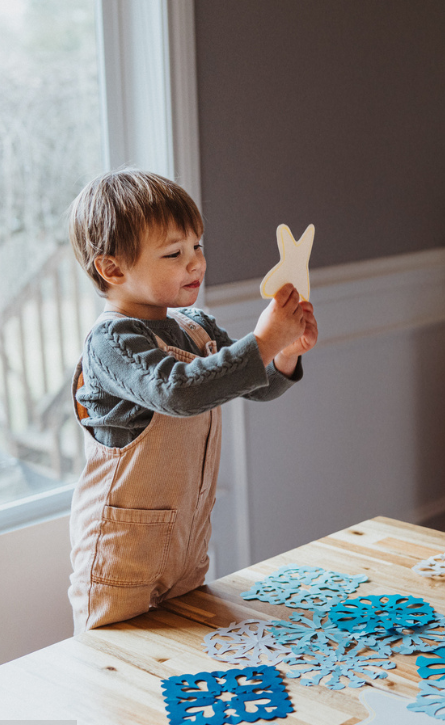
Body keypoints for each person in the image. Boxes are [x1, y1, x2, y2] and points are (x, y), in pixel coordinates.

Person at [66, 169, 318, 633]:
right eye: (174, 253)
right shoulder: (111, 341)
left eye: (197, 246)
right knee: (122, 681)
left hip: (186, 551)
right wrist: (261, 340)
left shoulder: (196, 326)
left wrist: (282, 355)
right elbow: (178, 391)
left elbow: (254, 385)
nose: (196, 263)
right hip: (120, 561)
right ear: (113, 269)